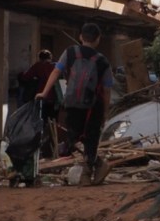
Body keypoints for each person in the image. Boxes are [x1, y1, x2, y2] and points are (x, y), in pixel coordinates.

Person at [36, 22, 113, 186]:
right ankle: (94, 168)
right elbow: (107, 90)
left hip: (72, 103)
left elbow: (56, 72)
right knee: (91, 139)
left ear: (80, 37)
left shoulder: (70, 52)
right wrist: (105, 112)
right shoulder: (103, 61)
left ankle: (90, 171)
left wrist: (44, 92)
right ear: (98, 39)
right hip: (94, 107)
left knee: (73, 137)